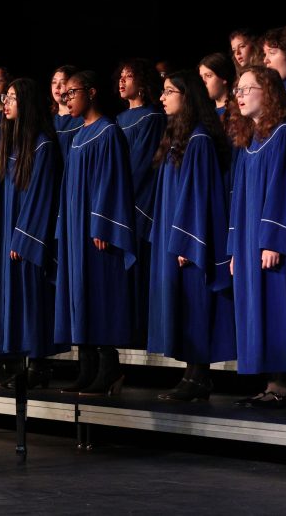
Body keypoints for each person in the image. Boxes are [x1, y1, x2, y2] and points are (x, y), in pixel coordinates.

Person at [147, 70, 236, 401]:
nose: (162, 97)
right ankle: (192, 374)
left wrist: (187, 241)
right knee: (183, 307)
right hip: (176, 238)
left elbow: (198, 196)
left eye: (169, 91)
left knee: (196, 305)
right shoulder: (177, 140)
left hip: (190, 241)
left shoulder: (198, 140)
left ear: (187, 97)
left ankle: (199, 376)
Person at [54, 71, 136, 395]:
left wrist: (103, 223)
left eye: (72, 92)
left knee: (99, 295)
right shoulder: (77, 136)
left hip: (96, 232)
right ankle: (86, 368)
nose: (66, 98)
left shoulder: (108, 132)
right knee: (79, 295)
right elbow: (67, 188)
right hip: (77, 230)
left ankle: (109, 369)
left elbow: (112, 182)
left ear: (90, 92)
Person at [228, 67, 286, 409]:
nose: (240, 95)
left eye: (248, 89)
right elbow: (238, 196)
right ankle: (270, 382)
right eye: (238, 90)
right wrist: (234, 249)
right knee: (254, 308)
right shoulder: (250, 139)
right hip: (247, 240)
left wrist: (273, 239)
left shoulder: (284, 133)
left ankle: (282, 385)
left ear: (269, 92)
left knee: (275, 306)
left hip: (270, 242)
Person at [0, 78, 63, 387]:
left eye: (13, 98)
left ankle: (38, 364)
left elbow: (42, 196)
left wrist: (24, 237)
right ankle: (14, 359)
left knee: (30, 296)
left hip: (24, 236)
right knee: (8, 295)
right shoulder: (8, 144)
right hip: (4, 232)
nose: (7, 103)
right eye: (7, 97)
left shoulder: (42, 145)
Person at [114, 58, 166, 347]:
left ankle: (141, 335)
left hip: (137, 203)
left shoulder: (152, 118)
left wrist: (118, 197)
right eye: (120, 76)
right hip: (118, 203)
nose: (122, 81)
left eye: (129, 76)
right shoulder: (118, 121)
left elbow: (141, 166)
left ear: (143, 82)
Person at [50, 64, 83, 160]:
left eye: (63, 82)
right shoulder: (48, 120)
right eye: (54, 82)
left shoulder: (83, 120)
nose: (57, 86)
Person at [198, 52, 237, 117]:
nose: (202, 82)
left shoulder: (238, 112)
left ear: (224, 77)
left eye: (208, 75)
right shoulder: (206, 115)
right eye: (201, 77)